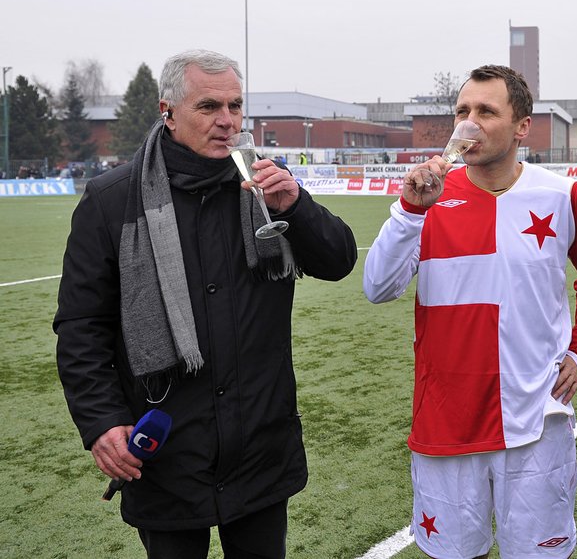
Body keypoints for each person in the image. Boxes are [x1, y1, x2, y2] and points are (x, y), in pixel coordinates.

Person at [54, 49, 358, 559]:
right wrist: (102, 421)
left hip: (260, 442)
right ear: (168, 111)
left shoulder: (264, 185)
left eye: (236, 106)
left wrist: (297, 207)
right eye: (209, 106)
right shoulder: (112, 200)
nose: (228, 121)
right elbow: (82, 326)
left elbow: (338, 260)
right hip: (166, 447)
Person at [363, 64, 577, 559]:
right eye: (462, 111)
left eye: (486, 111)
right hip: (446, 418)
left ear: (522, 126)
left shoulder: (562, 195)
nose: (469, 123)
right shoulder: (431, 198)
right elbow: (378, 286)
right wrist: (410, 211)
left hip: (534, 418)